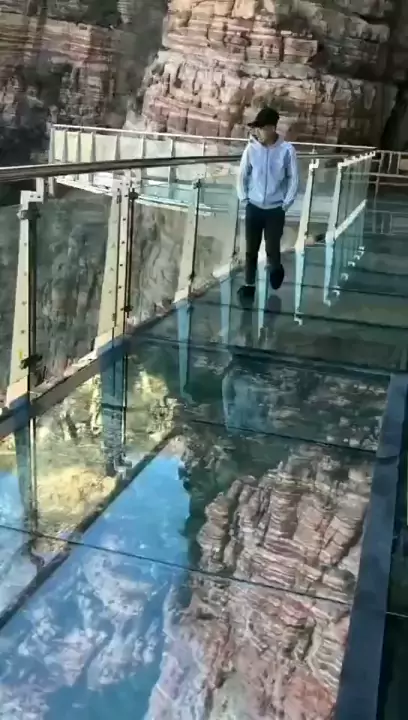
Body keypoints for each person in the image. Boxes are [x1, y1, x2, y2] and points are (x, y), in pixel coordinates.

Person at [237, 107, 299, 302]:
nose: (258, 132)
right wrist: (244, 198)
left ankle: (276, 268)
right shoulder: (251, 149)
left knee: (272, 248)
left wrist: (286, 203)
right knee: (251, 250)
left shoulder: (287, 150)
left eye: (262, 128)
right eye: (257, 128)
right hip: (253, 207)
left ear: (272, 128)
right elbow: (242, 175)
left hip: (275, 209)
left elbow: (293, 178)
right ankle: (249, 286)